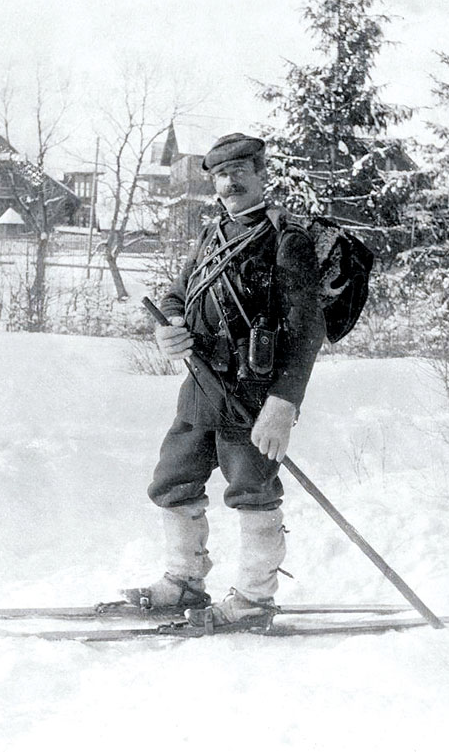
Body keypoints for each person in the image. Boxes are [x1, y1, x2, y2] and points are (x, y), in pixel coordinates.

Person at [123, 132, 326, 629]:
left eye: (240, 171)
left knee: (252, 491)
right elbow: (176, 294)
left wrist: (284, 403)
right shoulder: (212, 234)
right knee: (172, 480)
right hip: (200, 386)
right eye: (220, 174)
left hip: (253, 395)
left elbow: (307, 329)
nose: (230, 182)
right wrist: (168, 327)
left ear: (261, 175)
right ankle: (184, 581)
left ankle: (254, 601)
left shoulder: (287, 239)